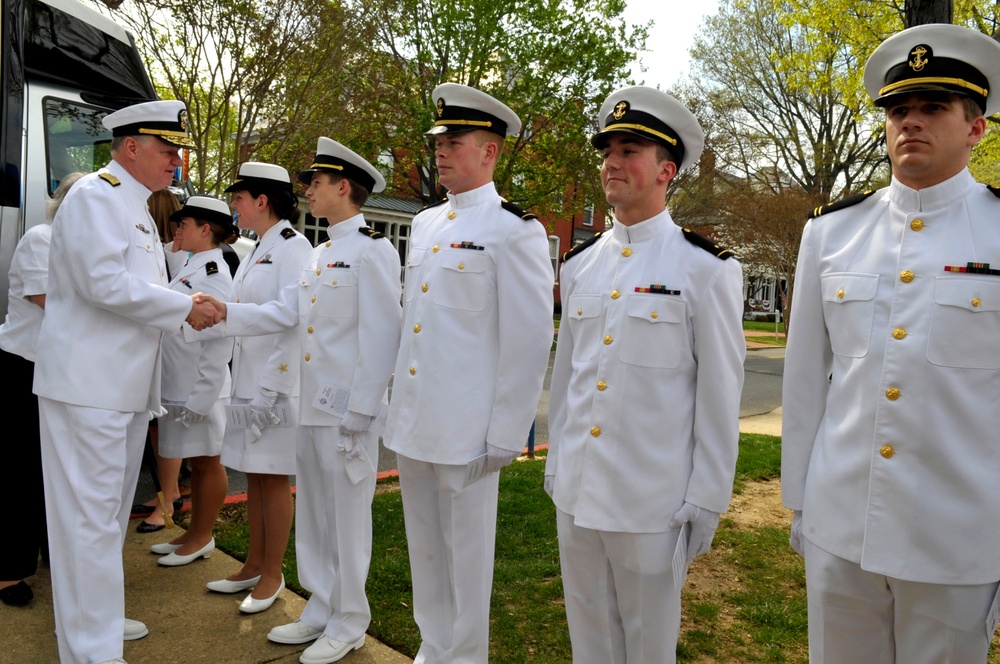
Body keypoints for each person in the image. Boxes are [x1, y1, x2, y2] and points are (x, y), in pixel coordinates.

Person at [781, 24, 1000, 664]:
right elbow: (803, 383)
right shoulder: (831, 234)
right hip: (839, 527)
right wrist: (802, 507)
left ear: (977, 127)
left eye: (933, 108)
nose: (912, 122)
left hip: (957, 539)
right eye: (899, 109)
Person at [544, 86, 746, 663]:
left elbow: (719, 392)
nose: (611, 160)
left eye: (629, 149)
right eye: (607, 148)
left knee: (648, 640)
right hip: (579, 488)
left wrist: (708, 495)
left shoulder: (704, 269)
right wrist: (559, 464)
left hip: (652, 497)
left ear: (666, 169)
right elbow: (569, 380)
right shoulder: (581, 264)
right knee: (589, 633)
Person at [199, 137, 402, 663]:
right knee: (314, 514)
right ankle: (321, 605)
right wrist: (228, 314)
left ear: (343, 187)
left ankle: (351, 619)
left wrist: (362, 409)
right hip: (311, 404)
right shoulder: (322, 253)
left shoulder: (373, 249)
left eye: (316, 182)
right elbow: (286, 316)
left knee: (347, 519)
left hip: (346, 413)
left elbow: (383, 333)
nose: (307, 190)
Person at [31, 99, 218, 664]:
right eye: (167, 150)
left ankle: (100, 625)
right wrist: (183, 306)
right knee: (87, 522)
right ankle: (90, 651)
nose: (178, 161)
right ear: (131, 147)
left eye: (179, 151)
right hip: (89, 388)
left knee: (107, 520)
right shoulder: (96, 195)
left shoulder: (135, 206)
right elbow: (101, 283)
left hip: (123, 389)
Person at [382, 83, 554, 663]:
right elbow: (417, 325)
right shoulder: (427, 223)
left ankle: (464, 657)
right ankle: (434, 649)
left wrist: (506, 433)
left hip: (467, 432)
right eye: (439, 141)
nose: (441, 151)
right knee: (425, 553)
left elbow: (529, 340)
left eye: (454, 141)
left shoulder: (516, 230)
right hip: (415, 422)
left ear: (490, 152)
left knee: (466, 558)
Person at [206, 162, 311, 614]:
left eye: (239, 198)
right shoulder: (257, 247)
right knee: (254, 473)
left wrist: (226, 313)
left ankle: (273, 574)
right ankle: (253, 563)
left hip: (275, 382)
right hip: (250, 375)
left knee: (272, 478)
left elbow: (291, 316)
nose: (234, 206)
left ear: (262, 200)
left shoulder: (294, 247)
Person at [0, 171, 83, 607]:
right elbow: (51, 305)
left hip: (59, 372)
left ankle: (52, 552)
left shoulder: (78, 247)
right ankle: (8, 571)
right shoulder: (41, 238)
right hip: (23, 367)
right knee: (21, 472)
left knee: (56, 469)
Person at [148, 195, 235, 567]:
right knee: (197, 463)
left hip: (202, 386)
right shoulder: (192, 264)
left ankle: (202, 535)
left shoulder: (213, 271)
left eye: (185, 223)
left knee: (207, 462)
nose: (177, 227)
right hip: (183, 383)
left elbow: (220, 339)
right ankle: (194, 531)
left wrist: (203, 397)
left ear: (205, 229)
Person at [134, 187, 186, 533]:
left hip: (171, 351)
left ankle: (169, 496)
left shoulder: (177, 256)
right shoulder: (168, 252)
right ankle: (170, 492)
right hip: (157, 349)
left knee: (166, 427)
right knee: (157, 426)